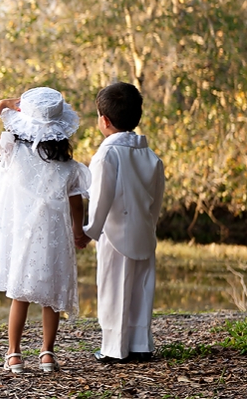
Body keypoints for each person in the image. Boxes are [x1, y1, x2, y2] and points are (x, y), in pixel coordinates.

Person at [0, 87, 90, 374]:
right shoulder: (68, 167)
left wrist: (1, 104)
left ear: (25, 123)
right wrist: (78, 231)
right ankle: (47, 354)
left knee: (21, 294)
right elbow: (76, 202)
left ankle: (14, 354)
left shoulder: (13, 152)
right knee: (52, 296)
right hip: (55, 237)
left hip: (23, 235)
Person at [80, 82, 165, 364]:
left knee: (114, 289)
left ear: (104, 120)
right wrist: (148, 225)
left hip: (115, 234)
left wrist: (89, 232)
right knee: (142, 288)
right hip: (143, 230)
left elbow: (100, 199)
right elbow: (157, 200)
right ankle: (140, 345)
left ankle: (114, 348)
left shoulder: (107, 154)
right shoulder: (151, 156)